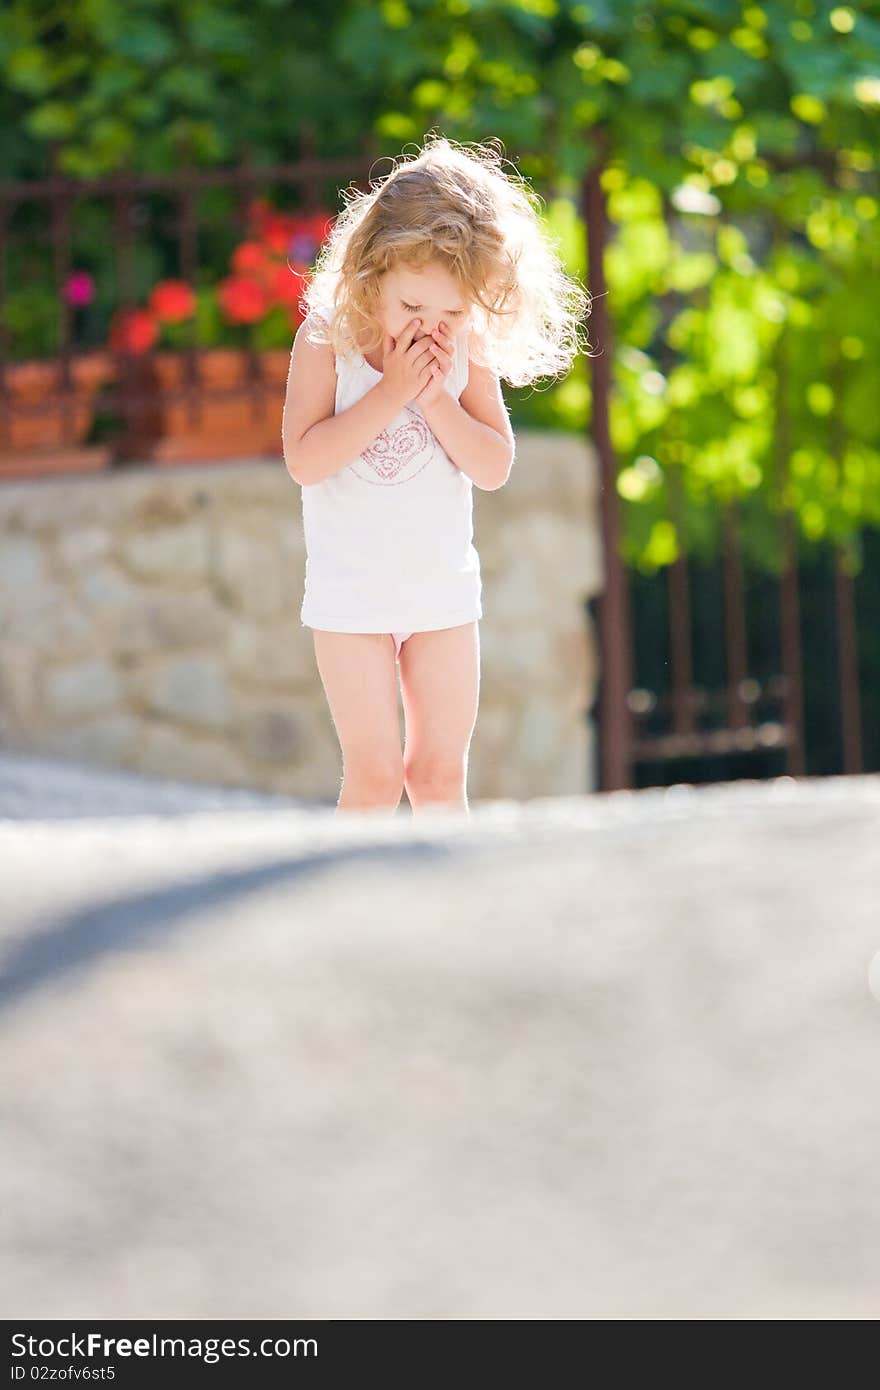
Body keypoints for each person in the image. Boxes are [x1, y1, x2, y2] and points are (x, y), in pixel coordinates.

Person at [282, 133, 590, 817]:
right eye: (412, 309)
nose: (431, 328)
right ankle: (345, 907)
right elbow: (306, 460)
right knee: (376, 774)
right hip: (351, 593)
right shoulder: (327, 339)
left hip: (440, 594)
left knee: (439, 773)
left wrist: (434, 398)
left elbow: (493, 465)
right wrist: (390, 392)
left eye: (451, 312)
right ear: (370, 276)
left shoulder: (463, 348)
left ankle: (453, 910)